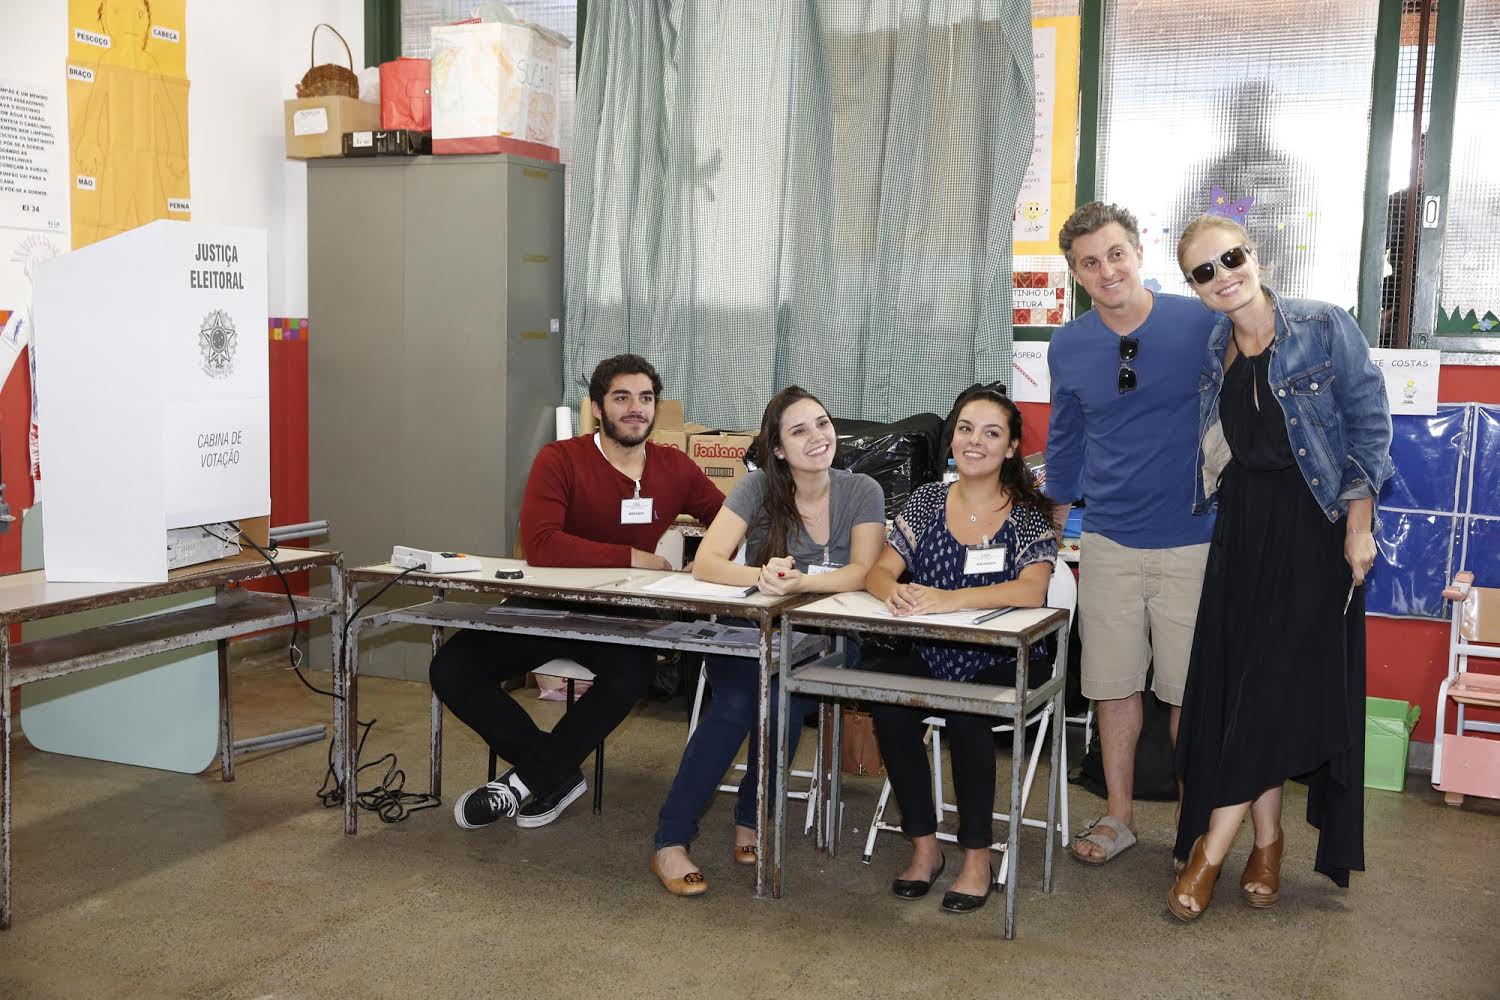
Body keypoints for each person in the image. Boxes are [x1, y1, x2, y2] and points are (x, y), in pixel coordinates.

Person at [1168, 216, 1393, 921]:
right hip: (1241, 531)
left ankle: (1211, 851)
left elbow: (1369, 428)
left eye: (1230, 258)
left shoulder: (1323, 325)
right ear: (1195, 288)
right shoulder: (1216, 347)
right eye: (1204, 271)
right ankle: (1267, 843)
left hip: (1313, 528)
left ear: (1255, 255)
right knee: (1244, 688)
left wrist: (1359, 526)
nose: (1223, 276)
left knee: (1267, 685)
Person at [430, 354, 725, 832]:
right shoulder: (561, 459)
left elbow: (730, 520)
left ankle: (527, 781)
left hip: (620, 614)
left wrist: (710, 559)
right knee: (452, 668)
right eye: (622, 398)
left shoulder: (675, 467)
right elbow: (542, 544)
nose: (636, 408)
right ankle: (553, 773)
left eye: (646, 398)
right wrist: (631, 556)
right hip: (546, 603)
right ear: (597, 407)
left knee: (632, 674)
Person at [649, 386, 885, 896]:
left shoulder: (862, 489)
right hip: (753, 628)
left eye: (822, 424)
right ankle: (671, 840)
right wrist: (761, 576)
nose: (817, 437)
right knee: (738, 702)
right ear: (777, 448)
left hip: (827, 639)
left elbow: (864, 572)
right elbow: (707, 561)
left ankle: (751, 817)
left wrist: (800, 583)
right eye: (799, 431)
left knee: (780, 697)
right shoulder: (757, 488)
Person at [1045, 202, 1218, 865]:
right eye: (1090, 262)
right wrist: (1051, 532)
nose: (1107, 270)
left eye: (1115, 254)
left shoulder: (1200, 322)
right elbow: (1066, 440)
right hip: (1110, 541)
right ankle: (1118, 817)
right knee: (1113, 687)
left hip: (1194, 538)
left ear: (1139, 252)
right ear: (1076, 275)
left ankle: (1192, 827)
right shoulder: (1068, 345)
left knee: (1187, 694)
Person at [865, 387, 1058, 914]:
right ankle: (925, 847)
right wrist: (892, 591)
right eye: (966, 429)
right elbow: (880, 570)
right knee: (890, 706)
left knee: (968, 714)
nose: (975, 442)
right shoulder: (927, 500)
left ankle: (977, 856)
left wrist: (951, 599)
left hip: (1007, 659)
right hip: (935, 652)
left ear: (1011, 448)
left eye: (991, 433)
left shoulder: (1028, 513)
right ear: (952, 438)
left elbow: (1032, 590)